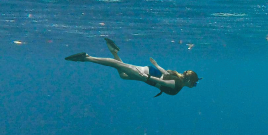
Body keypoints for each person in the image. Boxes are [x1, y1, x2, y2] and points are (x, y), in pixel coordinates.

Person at [65, 37, 199, 97]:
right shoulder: (178, 84)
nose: (193, 86)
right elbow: (163, 82)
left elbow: (166, 75)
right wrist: (147, 76)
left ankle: (114, 51)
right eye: (194, 84)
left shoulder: (178, 80)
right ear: (189, 80)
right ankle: (86, 57)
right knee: (118, 65)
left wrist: (156, 65)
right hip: (148, 75)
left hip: (149, 74)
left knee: (123, 75)